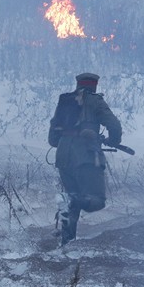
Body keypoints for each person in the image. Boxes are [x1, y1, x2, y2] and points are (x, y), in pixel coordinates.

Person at [48, 73, 122, 245]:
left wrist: (66, 141)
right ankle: (71, 201)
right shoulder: (95, 101)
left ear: (78, 84)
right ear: (94, 86)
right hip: (86, 157)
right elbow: (114, 125)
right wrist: (113, 140)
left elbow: (52, 138)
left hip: (63, 157)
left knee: (71, 201)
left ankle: (67, 242)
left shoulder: (65, 101)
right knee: (96, 200)